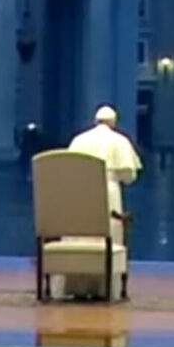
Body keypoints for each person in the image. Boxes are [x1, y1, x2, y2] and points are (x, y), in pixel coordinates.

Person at [64, 106, 142, 298]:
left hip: (80, 193)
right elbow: (129, 176)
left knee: (81, 239)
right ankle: (105, 288)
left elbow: (69, 169)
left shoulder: (79, 140)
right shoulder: (120, 141)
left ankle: (78, 287)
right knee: (108, 234)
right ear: (113, 122)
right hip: (109, 191)